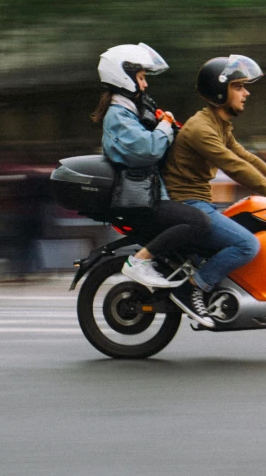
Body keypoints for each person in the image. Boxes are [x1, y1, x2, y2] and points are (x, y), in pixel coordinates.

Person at [162, 55, 266, 300]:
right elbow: (233, 165)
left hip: (201, 203)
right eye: (238, 87)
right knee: (247, 245)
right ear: (220, 92)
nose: (246, 93)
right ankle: (193, 290)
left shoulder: (218, 125)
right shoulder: (201, 129)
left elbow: (247, 158)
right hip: (189, 204)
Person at [92, 43, 214, 328]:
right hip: (138, 204)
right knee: (199, 222)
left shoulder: (130, 112)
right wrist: (165, 126)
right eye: (142, 77)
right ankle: (141, 262)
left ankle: (190, 286)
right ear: (124, 76)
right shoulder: (118, 115)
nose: (145, 85)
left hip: (150, 197)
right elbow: (147, 150)